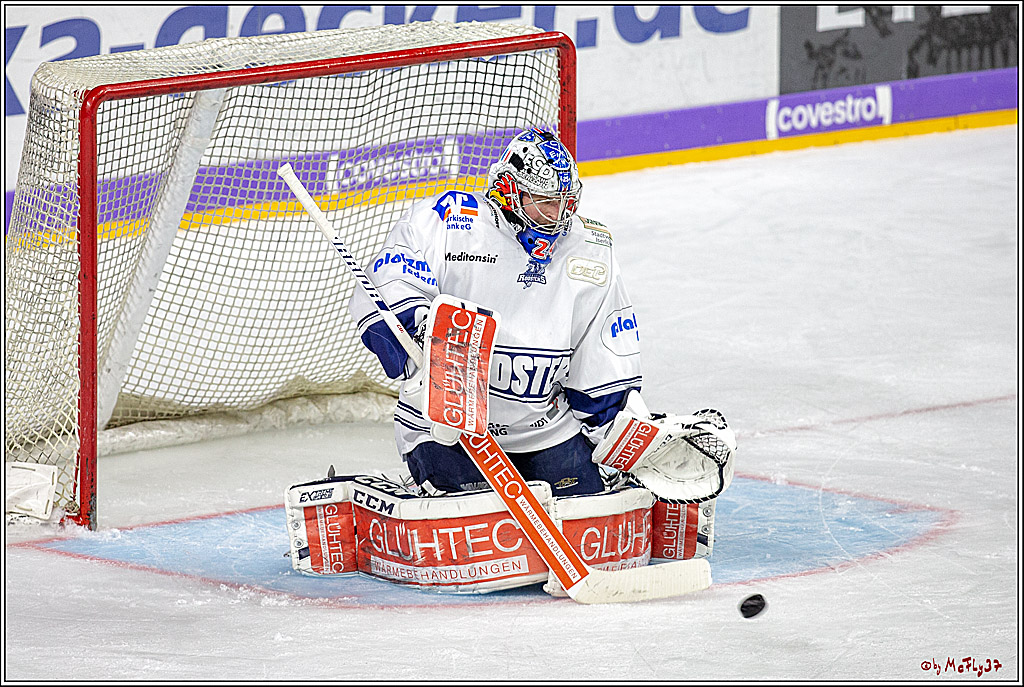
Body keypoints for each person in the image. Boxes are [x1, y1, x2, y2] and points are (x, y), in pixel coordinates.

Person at [348, 128, 643, 497]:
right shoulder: (450, 221)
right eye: (544, 201)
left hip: (543, 428)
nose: (559, 216)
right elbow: (390, 284)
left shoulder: (589, 249)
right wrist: (419, 331)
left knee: (590, 513)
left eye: (567, 202)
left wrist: (629, 439)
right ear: (508, 190)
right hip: (448, 428)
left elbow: (601, 356)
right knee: (472, 528)